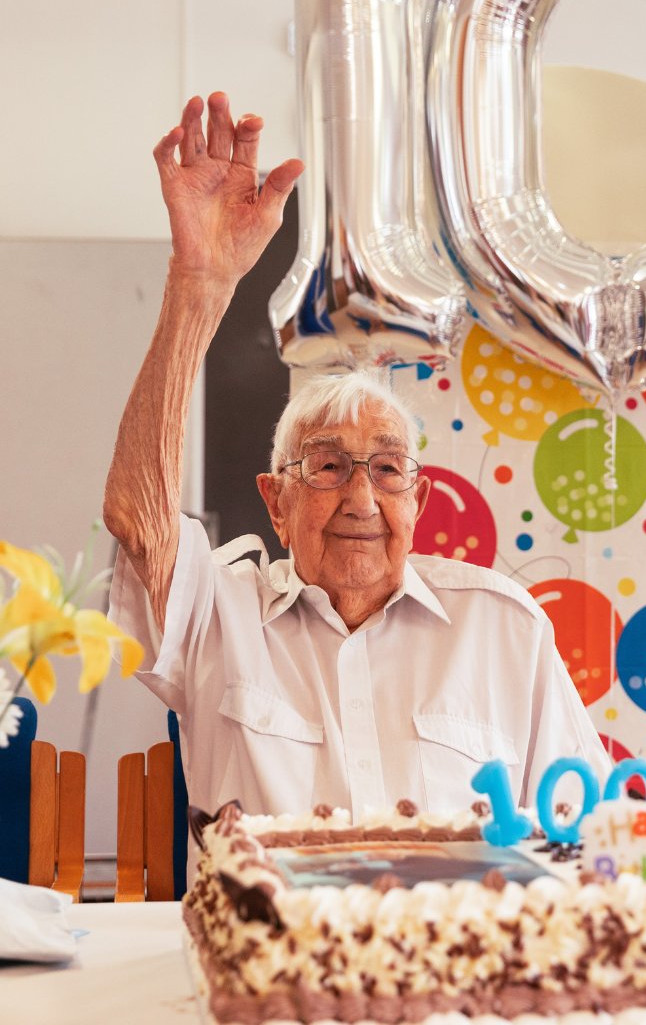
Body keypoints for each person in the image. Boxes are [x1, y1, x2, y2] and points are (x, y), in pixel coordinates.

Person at [103, 93, 610, 852]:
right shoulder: (220, 615)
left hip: (453, 929)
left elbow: (588, 833)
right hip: (271, 928)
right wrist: (197, 282)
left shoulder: (505, 628)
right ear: (276, 502)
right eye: (328, 466)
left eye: (388, 468)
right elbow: (138, 522)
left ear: (420, 499)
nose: (362, 497)